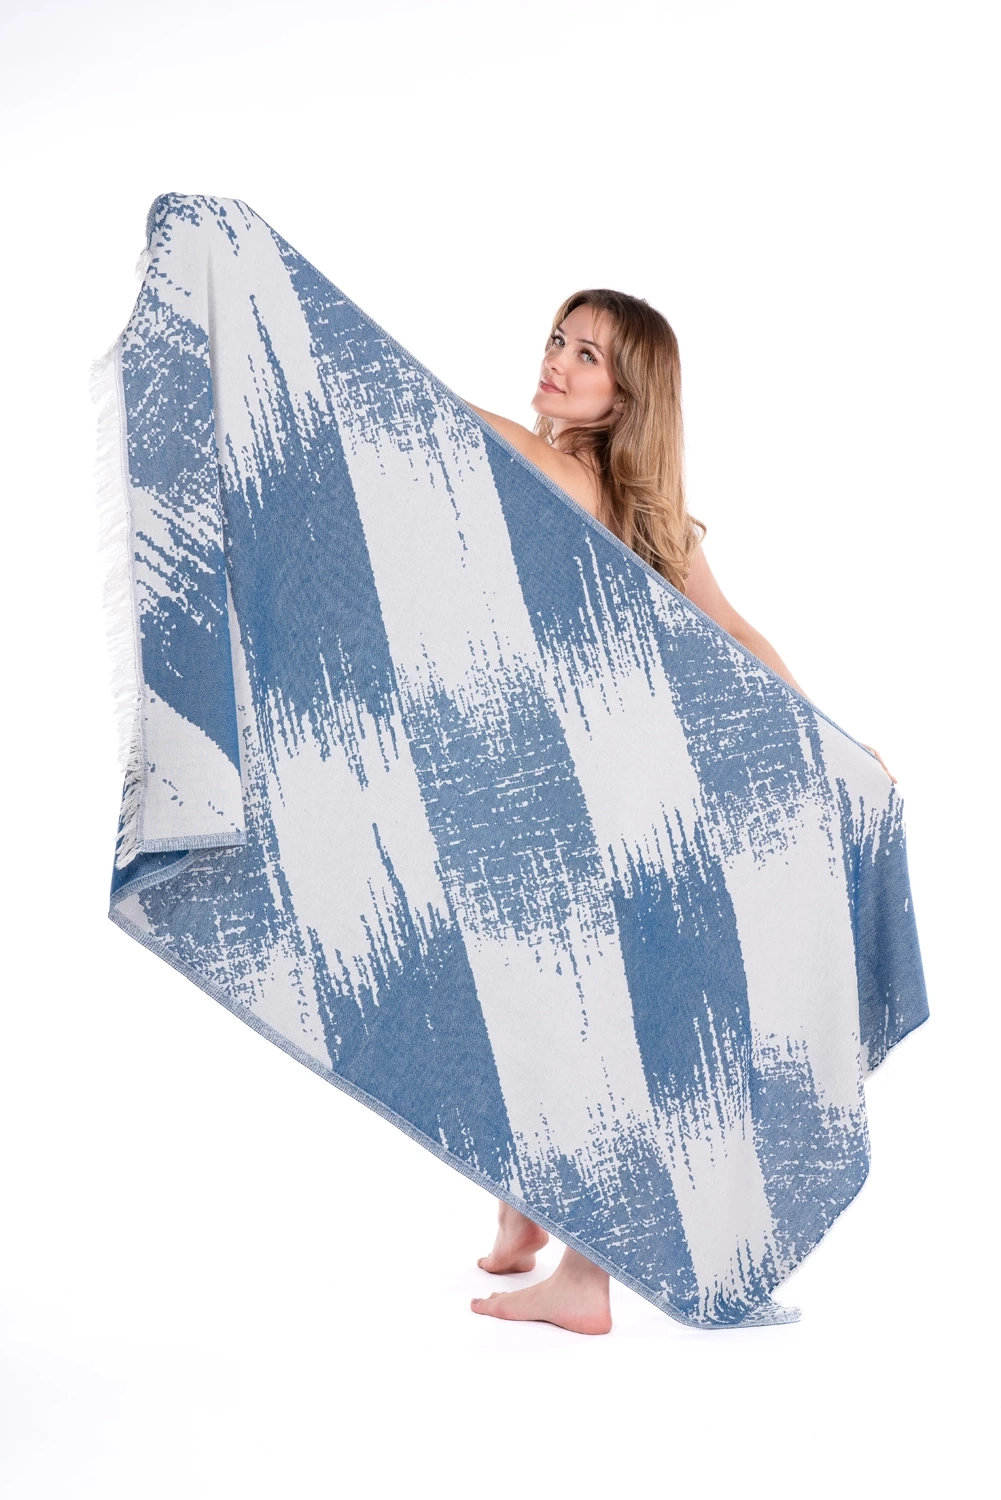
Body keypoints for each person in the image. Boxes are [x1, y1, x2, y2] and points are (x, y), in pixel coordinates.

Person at [464, 290, 894, 1335]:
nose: (557, 362)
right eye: (557, 340)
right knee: (545, 994)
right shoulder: (650, 514)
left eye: (588, 357)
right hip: (627, 793)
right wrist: (828, 740)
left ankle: (584, 1277)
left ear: (625, 397)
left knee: (574, 1012)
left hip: (593, 801)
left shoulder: (565, 474)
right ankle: (524, 1212)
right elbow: (737, 633)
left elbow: (443, 417)